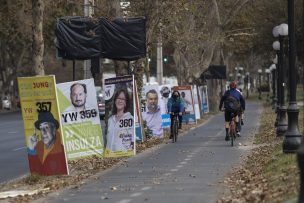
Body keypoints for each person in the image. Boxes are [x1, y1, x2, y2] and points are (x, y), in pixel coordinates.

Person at [27, 111, 68, 175]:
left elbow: (55, 173)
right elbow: (35, 172)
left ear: (54, 130)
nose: (43, 132)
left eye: (46, 127)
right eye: (41, 128)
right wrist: (31, 149)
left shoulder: (60, 150)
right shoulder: (38, 147)